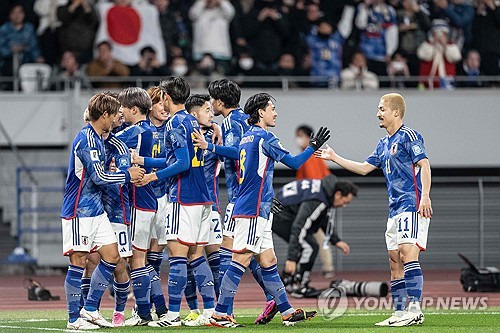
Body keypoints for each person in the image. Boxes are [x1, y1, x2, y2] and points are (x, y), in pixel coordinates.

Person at [209, 92, 330, 327]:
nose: (275, 112)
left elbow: (255, 173)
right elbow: (293, 163)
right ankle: (220, 313)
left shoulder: (246, 138)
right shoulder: (265, 137)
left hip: (256, 206)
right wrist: (312, 147)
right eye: (272, 108)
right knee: (241, 258)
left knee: (269, 260)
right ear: (261, 112)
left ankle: (286, 310)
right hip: (253, 209)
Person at [315, 93, 432, 327]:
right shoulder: (383, 143)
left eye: (382, 109)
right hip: (394, 208)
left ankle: (415, 310)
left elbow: (424, 164)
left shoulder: (409, 135)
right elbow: (364, 168)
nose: (378, 113)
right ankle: (399, 312)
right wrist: (334, 157)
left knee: (408, 253)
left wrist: (425, 196)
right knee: (393, 260)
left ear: (396, 112)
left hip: (411, 204)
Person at [132, 76, 216, 327]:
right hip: (202, 196)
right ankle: (210, 310)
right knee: (196, 255)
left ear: (166, 97)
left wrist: (150, 177)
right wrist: (144, 161)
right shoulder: (191, 120)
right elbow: (178, 157)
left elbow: (181, 163)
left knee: (177, 255)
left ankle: (172, 315)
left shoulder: (175, 123)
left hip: (183, 196)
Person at [191, 79, 275, 324]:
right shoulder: (241, 119)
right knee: (256, 255)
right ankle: (276, 300)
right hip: (252, 195)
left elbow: (239, 151)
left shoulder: (230, 121)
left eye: (211, 102)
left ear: (218, 101)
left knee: (229, 254)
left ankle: (222, 310)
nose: (210, 106)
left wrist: (210, 147)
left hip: (241, 198)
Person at [60, 93, 144, 330]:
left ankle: (89, 308)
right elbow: (99, 177)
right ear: (104, 115)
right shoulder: (86, 139)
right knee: (78, 262)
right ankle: (73, 319)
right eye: (115, 113)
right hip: (79, 210)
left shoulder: (99, 137)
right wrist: (127, 175)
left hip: (96, 211)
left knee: (112, 256)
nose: (118, 117)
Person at [113, 87, 162, 326]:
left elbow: (108, 143)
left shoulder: (134, 131)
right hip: (149, 199)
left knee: (137, 260)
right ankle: (160, 309)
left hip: (138, 200)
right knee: (140, 259)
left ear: (134, 109)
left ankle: (143, 313)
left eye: (122, 107)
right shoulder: (152, 131)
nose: (119, 112)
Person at [273, 176, 357, 298]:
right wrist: (291, 258)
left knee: (306, 244)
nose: (344, 206)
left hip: (279, 210)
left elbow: (323, 218)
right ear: (338, 194)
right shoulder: (318, 199)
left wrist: (336, 240)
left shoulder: (325, 191)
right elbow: (299, 226)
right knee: (310, 246)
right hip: (279, 215)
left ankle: (287, 280)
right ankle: (299, 286)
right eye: (345, 202)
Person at [183, 94, 223, 326]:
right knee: (186, 258)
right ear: (194, 114)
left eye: (211, 109)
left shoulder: (215, 136)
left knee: (215, 259)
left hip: (210, 205)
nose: (211, 113)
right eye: (206, 110)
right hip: (187, 204)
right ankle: (194, 309)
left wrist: (215, 126)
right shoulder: (182, 133)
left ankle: (220, 308)